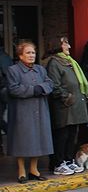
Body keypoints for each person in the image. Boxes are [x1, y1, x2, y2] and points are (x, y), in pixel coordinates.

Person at [7, 41, 53, 183]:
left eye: (33, 52)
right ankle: (21, 170)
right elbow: (13, 89)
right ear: (20, 56)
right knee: (22, 140)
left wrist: (43, 88)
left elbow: (50, 83)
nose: (31, 55)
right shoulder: (13, 70)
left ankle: (34, 169)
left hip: (40, 108)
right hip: (22, 110)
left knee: (38, 139)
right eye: (28, 52)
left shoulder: (40, 69)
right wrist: (33, 90)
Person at [45, 36, 88, 176]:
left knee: (72, 134)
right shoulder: (54, 63)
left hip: (75, 105)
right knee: (62, 134)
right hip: (64, 106)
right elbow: (55, 85)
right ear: (58, 46)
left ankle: (69, 159)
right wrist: (66, 97)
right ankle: (59, 163)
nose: (69, 46)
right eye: (65, 44)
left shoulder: (70, 62)